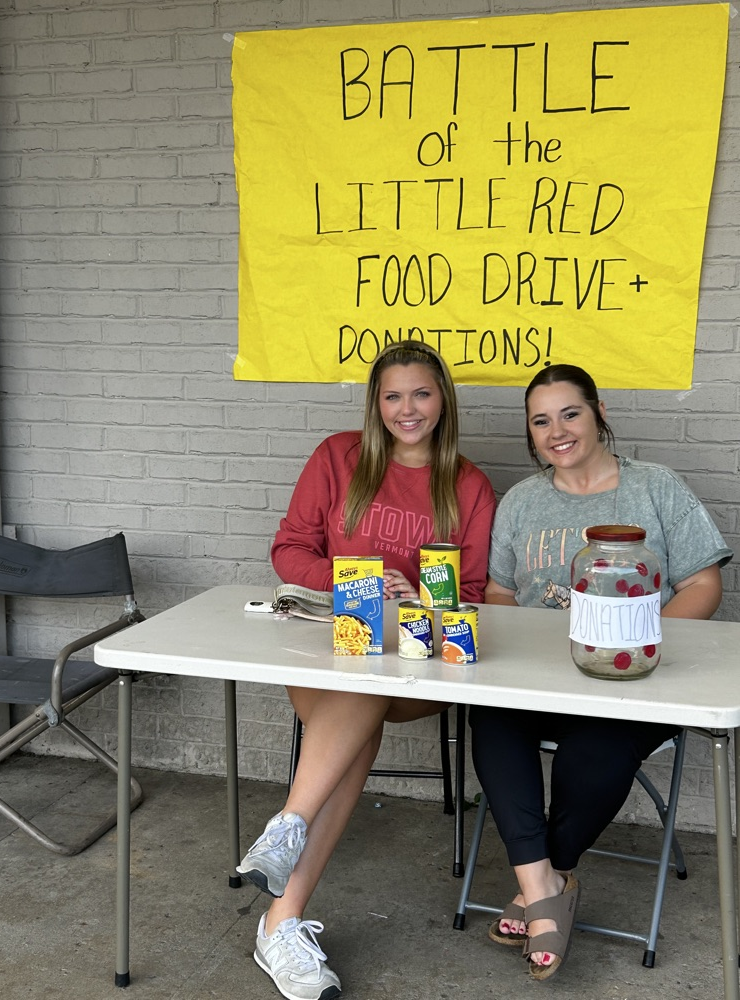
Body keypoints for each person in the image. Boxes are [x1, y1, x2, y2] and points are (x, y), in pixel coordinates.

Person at [239, 340, 496, 1000]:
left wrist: (422, 596)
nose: (406, 409)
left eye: (421, 394)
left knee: (368, 696)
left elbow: (471, 588)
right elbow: (289, 550)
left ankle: (287, 830)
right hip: (329, 646)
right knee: (359, 697)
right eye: (392, 396)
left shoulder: (467, 484)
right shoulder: (337, 457)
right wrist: (356, 580)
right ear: (375, 403)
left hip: (419, 661)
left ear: (443, 399)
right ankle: (280, 922)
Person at [470, 363, 732, 982]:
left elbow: (704, 583)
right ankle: (546, 887)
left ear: (599, 413)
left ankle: (541, 883)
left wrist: (638, 646)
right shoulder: (521, 503)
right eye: (541, 421)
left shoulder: (656, 488)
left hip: (633, 682)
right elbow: (500, 596)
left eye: (570, 413)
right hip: (539, 679)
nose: (557, 430)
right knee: (492, 719)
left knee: (595, 752)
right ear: (531, 435)